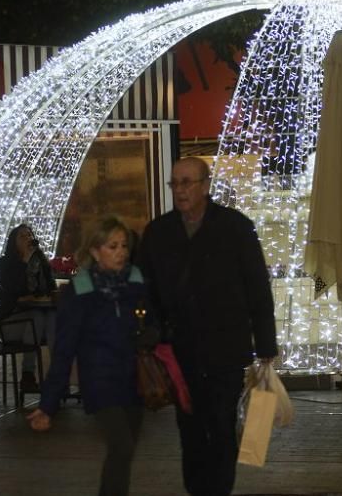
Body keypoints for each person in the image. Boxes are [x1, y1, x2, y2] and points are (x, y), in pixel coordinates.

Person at [136, 157, 278, 496]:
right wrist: (150, 332)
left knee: (222, 423)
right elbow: (144, 288)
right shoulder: (158, 232)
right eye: (175, 183)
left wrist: (267, 346)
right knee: (190, 427)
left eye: (187, 182)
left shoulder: (235, 227)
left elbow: (257, 288)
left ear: (205, 185)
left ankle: (218, 489)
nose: (180, 190)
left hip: (225, 347)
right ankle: (198, 489)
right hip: (179, 349)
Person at [27, 216, 151, 496]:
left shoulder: (135, 281)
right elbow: (65, 349)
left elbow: (153, 320)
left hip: (133, 380)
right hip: (100, 382)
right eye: (112, 246)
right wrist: (48, 404)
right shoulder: (81, 289)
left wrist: (151, 333)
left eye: (123, 245)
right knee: (122, 446)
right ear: (95, 251)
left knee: (124, 453)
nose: (121, 252)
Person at [0, 224, 57, 392]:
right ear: (13, 242)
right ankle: (28, 374)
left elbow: (49, 286)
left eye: (30, 235)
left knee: (52, 317)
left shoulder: (39, 262)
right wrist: (25, 261)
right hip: (10, 322)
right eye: (23, 236)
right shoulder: (3, 264)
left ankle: (57, 375)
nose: (28, 238)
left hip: (36, 317)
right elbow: (14, 289)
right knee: (37, 317)